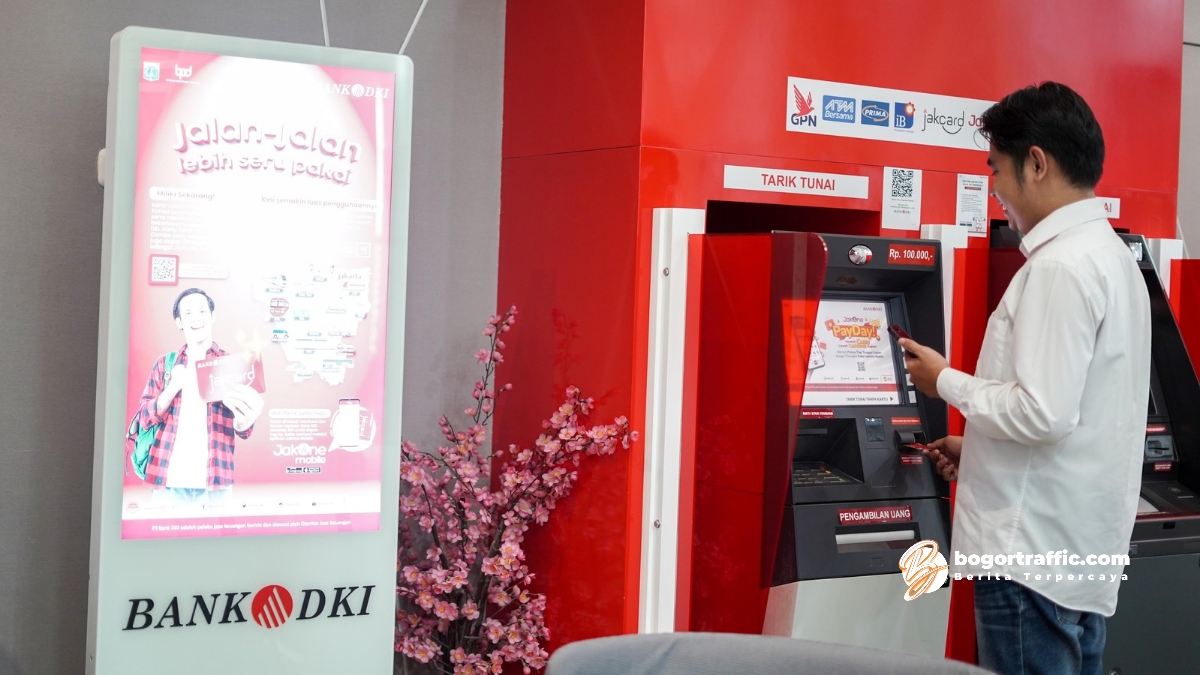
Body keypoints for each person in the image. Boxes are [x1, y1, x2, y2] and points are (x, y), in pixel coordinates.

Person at [900, 82, 1151, 675]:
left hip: (1030, 563)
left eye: (996, 169)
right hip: (1075, 555)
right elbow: (1081, 416)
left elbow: (1043, 413)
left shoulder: (1060, 267)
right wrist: (980, 452)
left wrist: (944, 381)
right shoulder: (1112, 257)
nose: (994, 190)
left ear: (1036, 163)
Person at [134, 288, 264, 505]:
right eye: (188, 313)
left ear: (212, 316)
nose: (196, 317)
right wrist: (173, 387)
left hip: (216, 484)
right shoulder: (165, 364)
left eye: (202, 311)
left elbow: (245, 430)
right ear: (179, 321)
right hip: (168, 483)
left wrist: (244, 421)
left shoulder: (231, 365)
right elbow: (143, 419)